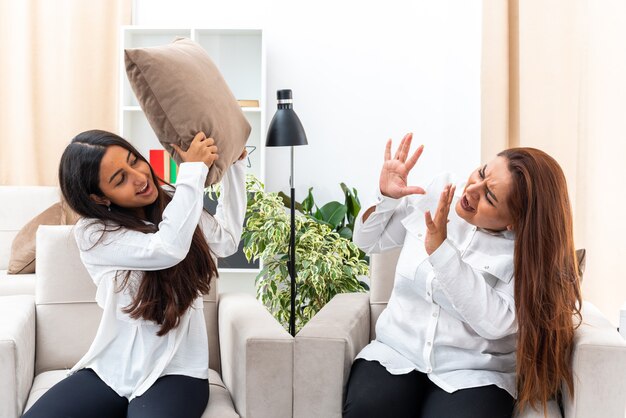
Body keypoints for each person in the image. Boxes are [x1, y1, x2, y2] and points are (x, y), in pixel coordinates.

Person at [343, 133, 582, 418]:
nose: (472, 190)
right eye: (481, 173)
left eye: (490, 197)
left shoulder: (525, 256)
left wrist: (441, 251)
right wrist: (386, 198)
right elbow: (367, 242)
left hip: (473, 373)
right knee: (367, 410)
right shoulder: (436, 196)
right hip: (397, 353)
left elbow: (495, 323)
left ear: (513, 222)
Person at [23, 130, 247, 418]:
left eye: (135, 161)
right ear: (99, 197)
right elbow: (166, 248)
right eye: (120, 179)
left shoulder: (175, 204)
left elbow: (226, 239)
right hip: (111, 370)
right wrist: (192, 172)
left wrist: (235, 168)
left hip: (178, 372)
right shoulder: (94, 233)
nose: (140, 177)